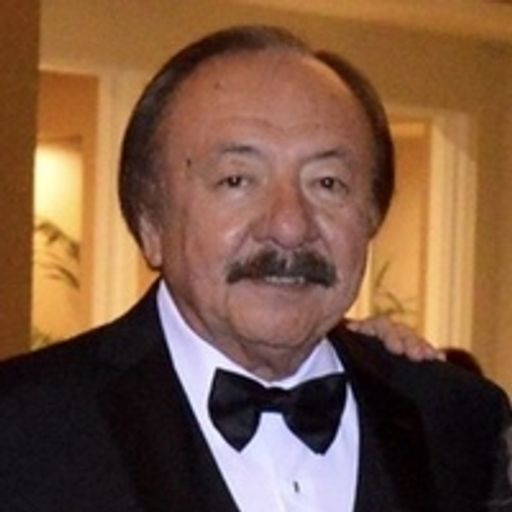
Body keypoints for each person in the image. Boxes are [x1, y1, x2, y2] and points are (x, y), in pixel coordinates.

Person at [0, 25, 510, 511]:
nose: (289, 226)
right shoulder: (23, 429)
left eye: (327, 183)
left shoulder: (460, 421)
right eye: (237, 180)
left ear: (372, 216)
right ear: (150, 221)